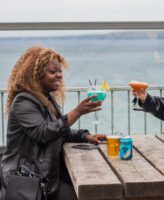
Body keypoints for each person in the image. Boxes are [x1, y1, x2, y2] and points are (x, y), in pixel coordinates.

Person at [0, 46, 106, 200]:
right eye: (53, 72)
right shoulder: (23, 101)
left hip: (45, 177)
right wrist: (77, 112)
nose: (59, 75)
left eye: (60, 71)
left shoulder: (45, 99)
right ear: (36, 75)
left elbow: (57, 130)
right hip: (26, 182)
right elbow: (43, 133)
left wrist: (85, 136)